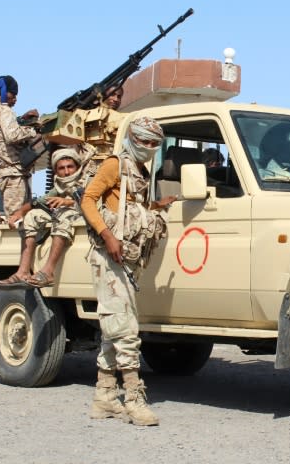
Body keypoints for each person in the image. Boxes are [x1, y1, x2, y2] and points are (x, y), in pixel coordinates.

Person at [81, 116, 176, 426]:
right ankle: (134, 399)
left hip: (128, 257)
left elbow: (133, 207)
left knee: (114, 326)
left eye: (154, 144)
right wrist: (107, 236)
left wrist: (158, 206)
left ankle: (104, 397)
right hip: (110, 257)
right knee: (126, 328)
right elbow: (88, 199)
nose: (148, 148)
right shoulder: (114, 164)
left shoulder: (141, 171)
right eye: (144, 141)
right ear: (133, 138)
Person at [0, 148, 86, 287]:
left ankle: (48, 271)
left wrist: (68, 202)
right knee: (32, 216)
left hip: (80, 214)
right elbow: (38, 202)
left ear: (77, 167)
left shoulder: (86, 180)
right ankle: (23, 271)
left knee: (63, 213)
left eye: (70, 167)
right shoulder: (60, 185)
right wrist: (20, 212)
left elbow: (92, 201)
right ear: (56, 171)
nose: (67, 172)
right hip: (61, 214)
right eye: (62, 168)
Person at [0, 75, 40, 217]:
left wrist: (20, 120)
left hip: (4, 174)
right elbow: (11, 135)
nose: (15, 99)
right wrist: (34, 131)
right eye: (13, 94)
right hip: (14, 175)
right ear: (4, 92)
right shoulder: (5, 111)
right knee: (17, 219)